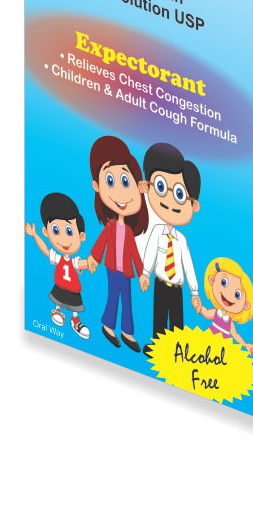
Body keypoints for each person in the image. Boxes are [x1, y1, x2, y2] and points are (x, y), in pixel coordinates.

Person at [138, 143, 202, 356]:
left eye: (180, 194)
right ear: (147, 187)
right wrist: (145, 274)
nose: (169, 200)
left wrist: (195, 292)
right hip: (159, 283)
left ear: (193, 206)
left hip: (177, 288)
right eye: (160, 187)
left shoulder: (181, 240)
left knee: (176, 320)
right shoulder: (157, 231)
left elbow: (188, 265)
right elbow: (150, 253)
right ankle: (157, 346)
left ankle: (176, 350)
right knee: (159, 316)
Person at [87, 135, 149, 352]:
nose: (121, 193)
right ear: (97, 186)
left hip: (128, 272)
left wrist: (142, 274)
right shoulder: (111, 227)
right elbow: (100, 244)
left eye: (125, 181)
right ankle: (108, 326)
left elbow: (134, 254)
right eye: (110, 182)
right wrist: (93, 258)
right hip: (112, 269)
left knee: (127, 300)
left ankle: (127, 332)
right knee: (113, 297)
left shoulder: (129, 231)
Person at [25, 192, 92, 338]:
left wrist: (91, 261)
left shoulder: (73, 261)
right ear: (46, 232)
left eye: (69, 231)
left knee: (75, 307)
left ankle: (75, 321)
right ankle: (57, 311)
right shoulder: (58, 257)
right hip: (60, 286)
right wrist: (34, 235)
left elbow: (82, 263)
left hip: (73, 289)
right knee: (58, 300)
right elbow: (45, 250)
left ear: (81, 236)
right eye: (55, 230)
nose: (63, 239)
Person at [198, 257, 253, 355]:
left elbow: (235, 335)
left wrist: (245, 345)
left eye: (237, 295)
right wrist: (199, 306)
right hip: (210, 340)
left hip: (223, 346)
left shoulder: (229, 322)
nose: (229, 295)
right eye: (223, 282)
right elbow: (206, 313)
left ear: (245, 305)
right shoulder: (217, 313)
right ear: (212, 280)